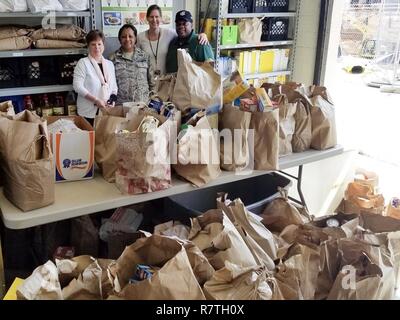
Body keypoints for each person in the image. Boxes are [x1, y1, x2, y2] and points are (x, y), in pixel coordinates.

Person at [137, 5, 209, 77]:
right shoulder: (140, 37)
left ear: (161, 18)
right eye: (151, 17)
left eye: (157, 17)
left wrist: (202, 35)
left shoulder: (169, 34)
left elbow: (210, 69)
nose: (181, 26)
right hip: (151, 81)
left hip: (169, 82)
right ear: (147, 18)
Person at [73, 30, 117, 126]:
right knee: (89, 140)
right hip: (87, 113)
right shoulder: (83, 63)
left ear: (103, 45)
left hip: (105, 112)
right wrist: (96, 100)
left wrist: (112, 101)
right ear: (88, 46)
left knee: (103, 140)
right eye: (93, 44)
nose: (97, 47)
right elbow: (77, 87)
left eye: (99, 44)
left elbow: (114, 88)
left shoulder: (110, 64)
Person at [110, 24, 154, 104]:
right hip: (121, 105)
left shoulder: (145, 56)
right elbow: (110, 85)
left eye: (130, 36)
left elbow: (152, 82)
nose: (127, 39)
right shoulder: (112, 58)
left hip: (142, 104)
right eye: (123, 37)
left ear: (135, 38)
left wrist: (154, 100)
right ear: (119, 39)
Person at [165, 10, 215, 74]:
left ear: (191, 24)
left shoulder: (201, 43)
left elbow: (210, 71)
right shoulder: (173, 43)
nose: (181, 26)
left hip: (194, 83)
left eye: (184, 24)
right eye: (178, 24)